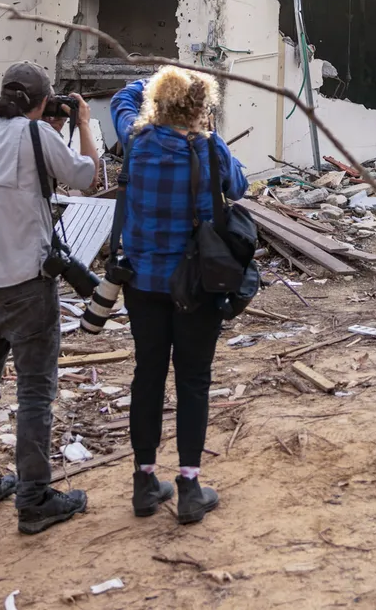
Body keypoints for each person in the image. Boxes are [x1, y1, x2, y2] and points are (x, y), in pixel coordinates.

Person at [0, 62, 101, 534]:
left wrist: (45, 130)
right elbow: (86, 178)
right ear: (43, 101)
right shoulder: (41, 138)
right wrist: (79, 126)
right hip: (27, 282)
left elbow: (10, 172)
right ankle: (35, 497)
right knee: (35, 391)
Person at [110, 67, 247, 524]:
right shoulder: (211, 150)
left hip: (143, 285)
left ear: (158, 103)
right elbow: (239, 188)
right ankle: (189, 486)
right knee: (193, 380)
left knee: (147, 376)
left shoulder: (136, 142)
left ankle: (144, 482)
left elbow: (121, 102)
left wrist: (150, 78)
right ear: (202, 109)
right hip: (195, 288)